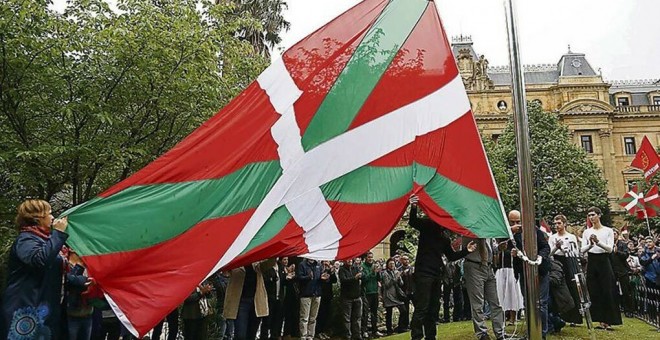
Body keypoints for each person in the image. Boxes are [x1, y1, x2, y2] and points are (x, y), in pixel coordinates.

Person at [408, 195, 476, 340]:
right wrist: (413, 206)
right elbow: (413, 221)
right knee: (422, 307)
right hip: (423, 274)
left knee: (433, 309)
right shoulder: (428, 226)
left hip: (436, 275)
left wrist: (466, 251)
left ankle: (431, 336)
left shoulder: (443, 236)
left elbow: (451, 256)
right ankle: (416, 336)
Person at [1, 199, 69, 339]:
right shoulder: (25, 240)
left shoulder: (46, 240)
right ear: (37, 218)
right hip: (26, 307)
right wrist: (58, 234)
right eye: (49, 214)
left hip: (46, 308)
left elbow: (51, 270)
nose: (52, 217)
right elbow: (40, 260)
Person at [508, 209, 551, 339]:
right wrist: (514, 253)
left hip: (540, 271)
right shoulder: (512, 236)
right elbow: (505, 246)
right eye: (513, 222)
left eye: (518, 221)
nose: (517, 224)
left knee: (541, 303)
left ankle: (542, 333)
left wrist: (539, 257)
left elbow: (546, 247)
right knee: (528, 303)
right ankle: (531, 332)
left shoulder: (535, 231)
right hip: (523, 272)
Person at [580, 207, 622, 330]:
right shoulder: (587, 232)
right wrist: (591, 244)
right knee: (594, 290)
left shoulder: (608, 230)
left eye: (593, 215)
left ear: (599, 215)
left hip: (604, 260)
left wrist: (598, 242)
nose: (591, 217)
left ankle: (609, 320)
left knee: (607, 289)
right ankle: (599, 320)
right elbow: (582, 250)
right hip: (592, 260)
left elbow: (609, 248)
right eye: (589, 215)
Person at [462, 235, 505, 340]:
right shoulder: (469, 228)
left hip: (488, 267)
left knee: (495, 302)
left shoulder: (488, 230)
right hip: (474, 265)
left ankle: (500, 333)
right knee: (477, 303)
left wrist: (499, 247)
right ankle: (482, 334)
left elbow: (491, 248)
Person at [225, 259, 277, 340]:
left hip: (256, 302)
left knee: (252, 334)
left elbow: (268, 264)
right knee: (240, 335)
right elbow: (224, 270)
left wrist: (275, 252)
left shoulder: (256, 262)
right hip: (240, 302)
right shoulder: (235, 261)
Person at [548, 214, 582, 325]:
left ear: (564, 224)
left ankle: (575, 318)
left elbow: (575, 251)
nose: (557, 226)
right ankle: (560, 316)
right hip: (557, 262)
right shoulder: (552, 237)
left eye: (559, 223)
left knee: (572, 287)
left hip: (568, 261)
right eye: (555, 223)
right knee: (558, 289)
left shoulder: (571, 237)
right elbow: (549, 253)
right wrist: (556, 247)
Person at [297, 258, 328, 340]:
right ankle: (303, 336)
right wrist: (308, 277)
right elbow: (299, 277)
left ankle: (310, 336)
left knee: (313, 317)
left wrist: (324, 278)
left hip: (317, 294)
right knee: (304, 318)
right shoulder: (302, 264)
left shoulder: (319, 265)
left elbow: (322, 277)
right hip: (306, 294)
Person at [380, 258, 405, 335]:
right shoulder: (385, 273)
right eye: (390, 264)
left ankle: (400, 328)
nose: (392, 265)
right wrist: (395, 278)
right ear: (387, 265)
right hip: (388, 295)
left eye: (393, 264)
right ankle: (389, 330)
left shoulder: (396, 272)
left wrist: (399, 277)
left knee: (403, 310)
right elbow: (387, 285)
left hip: (396, 295)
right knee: (389, 313)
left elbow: (401, 284)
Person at [338, 258, 362, 340]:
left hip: (357, 296)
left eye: (351, 259)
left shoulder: (356, 268)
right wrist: (354, 278)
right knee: (347, 319)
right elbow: (343, 280)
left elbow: (363, 276)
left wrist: (362, 275)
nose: (350, 260)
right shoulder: (342, 270)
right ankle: (348, 336)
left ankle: (357, 335)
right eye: (348, 259)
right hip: (347, 297)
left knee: (357, 318)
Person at [360, 252, 381, 338]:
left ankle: (374, 330)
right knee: (365, 313)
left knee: (374, 312)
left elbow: (379, 279)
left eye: (371, 257)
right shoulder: (363, 267)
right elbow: (364, 279)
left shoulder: (374, 266)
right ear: (365, 258)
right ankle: (364, 330)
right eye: (369, 257)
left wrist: (378, 272)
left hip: (374, 292)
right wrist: (372, 272)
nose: (370, 259)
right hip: (366, 292)